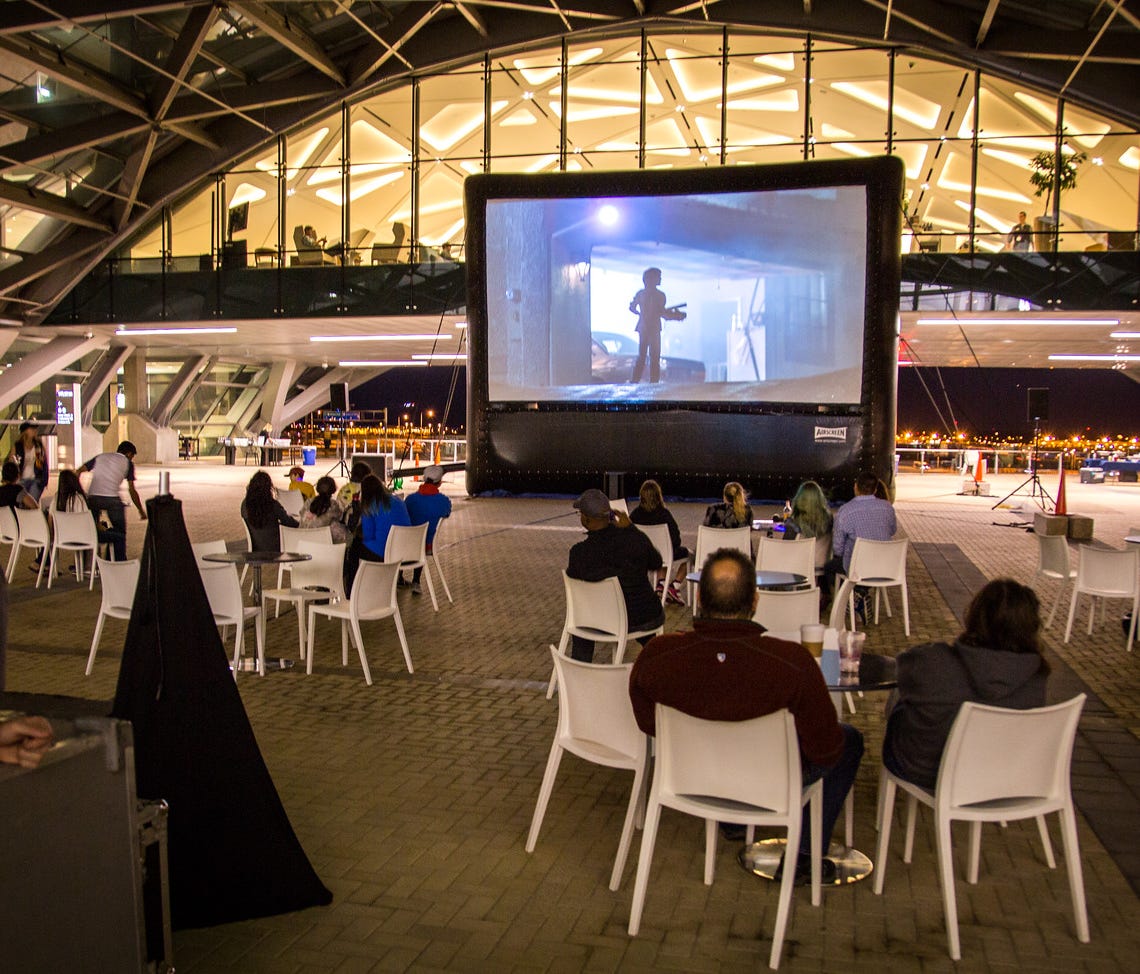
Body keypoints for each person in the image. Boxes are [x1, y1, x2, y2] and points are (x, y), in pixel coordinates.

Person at [629, 548, 863, 882]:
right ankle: (804, 858)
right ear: (754, 601)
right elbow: (825, 748)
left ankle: (733, 819)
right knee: (849, 738)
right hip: (769, 780)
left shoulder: (657, 657)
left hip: (692, 775)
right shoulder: (792, 664)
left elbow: (648, 723)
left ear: (699, 598)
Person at [882, 578, 1049, 789]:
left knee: (904, 698)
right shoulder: (1037, 678)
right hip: (1003, 777)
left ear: (975, 616)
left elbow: (901, 667)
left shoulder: (933, 660)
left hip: (928, 772)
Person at [566, 488, 664, 662]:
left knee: (582, 621)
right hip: (642, 617)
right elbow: (656, 562)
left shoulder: (579, 553)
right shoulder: (633, 541)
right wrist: (631, 529)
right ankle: (658, 662)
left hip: (601, 620)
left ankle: (579, 667)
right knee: (643, 618)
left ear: (586, 519)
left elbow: (573, 574)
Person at [824, 470, 897, 599]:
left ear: (855, 487)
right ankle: (861, 594)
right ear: (875, 490)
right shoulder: (887, 508)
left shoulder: (846, 511)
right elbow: (892, 531)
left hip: (857, 568)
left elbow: (838, 548)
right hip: (884, 565)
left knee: (830, 567)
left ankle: (852, 597)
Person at [78, 441, 147, 562]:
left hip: (93, 497)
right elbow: (132, 490)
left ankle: (83, 562)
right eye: (132, 456)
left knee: (90, 529)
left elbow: (79, 471)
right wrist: (141, 510)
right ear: (129, 454)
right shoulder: (128, 463)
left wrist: (81, 494)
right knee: (120, 530)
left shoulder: (101, 457)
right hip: (112, 499)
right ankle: (117, 560)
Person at [629, 478, 689, 604]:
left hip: (643, 554)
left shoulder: (635, 514)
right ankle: (675, 586)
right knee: (688, 555)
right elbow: (676, 539)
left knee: (660, 553)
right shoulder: (664, 515)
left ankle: (661, 584)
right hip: (663, 554)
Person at [344, 474, 409, 589]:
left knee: (354, 549)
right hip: (405, 551)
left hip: (383, 552)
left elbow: (368, 536)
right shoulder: (398, 501)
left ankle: (351, 590)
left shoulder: (370, 505)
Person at [628, 267, 686, 383]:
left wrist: (641, 314)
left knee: (643, 356)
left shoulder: (641, 294)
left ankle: (635, 380)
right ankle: (653, 382)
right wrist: (676, 316)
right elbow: (663, 313)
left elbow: (632, 307)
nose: (660, 279)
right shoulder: (660, 295)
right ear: (651, 279)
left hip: (643, 327)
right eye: (658, 277)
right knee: (654, 357)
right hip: (653, 329)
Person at [404, 464, 451, 596]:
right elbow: (447, 513)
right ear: (439, 483)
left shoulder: (410, 499)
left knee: (403, 539)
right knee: (421, 539)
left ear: (424, 479)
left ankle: (397, 578)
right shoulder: (444, 501)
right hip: (428, 545)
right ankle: (416, 581)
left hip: (405, 547)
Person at [240, 470, 298, 552]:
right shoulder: (272, 505)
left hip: (255, 546)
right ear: (268, 488)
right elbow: (288, 521)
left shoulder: (245, 505)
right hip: (275, 545)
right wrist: (300, 524)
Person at [781, 480, 833, 570]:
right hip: (821, 564)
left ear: (799, 499)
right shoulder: (829, 520)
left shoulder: (793, 523)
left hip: (797, 567)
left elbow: (785, 549)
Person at [300, 475, 347, 542]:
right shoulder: (333, 505)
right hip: (323, 543)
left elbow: (302, 514)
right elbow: (340, 517)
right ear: (333, 490)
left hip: (304, 540)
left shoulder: (308, 502)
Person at [10, 421, 48, 502]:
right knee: (21, 503)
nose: (35, 430)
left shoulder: (38, 445)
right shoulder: (18, 446)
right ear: (25, 431)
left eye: (35, 429)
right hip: (21, 480)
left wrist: (41, 462)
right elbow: (11, 462)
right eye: (32, 428)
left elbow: (44, 463)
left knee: (32, 503)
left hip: (36, 479)